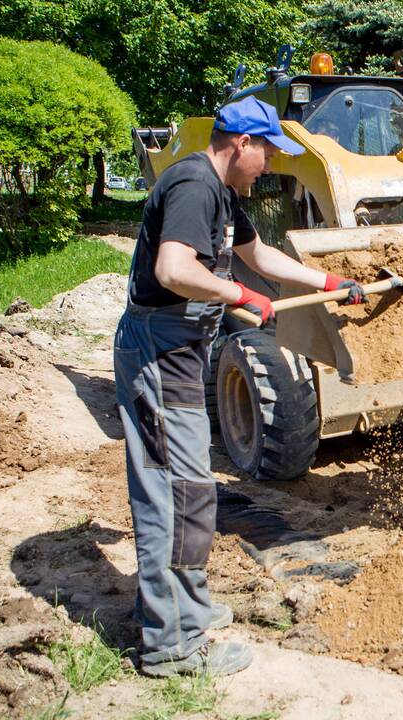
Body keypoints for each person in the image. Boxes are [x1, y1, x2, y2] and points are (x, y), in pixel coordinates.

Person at [114, 96, 366, 677]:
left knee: (186, 488)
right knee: (177, 493)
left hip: (177, 350)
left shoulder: (225, 193)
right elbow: (174, 270)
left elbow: (259, 255)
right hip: (159, 352)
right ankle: (172, 645)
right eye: (270, 152)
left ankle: (181, 608)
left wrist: (331, 280)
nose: (272, 165)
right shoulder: (194, 185)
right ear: (241, 144)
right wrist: (240, 295)